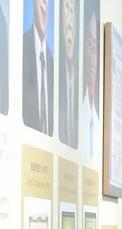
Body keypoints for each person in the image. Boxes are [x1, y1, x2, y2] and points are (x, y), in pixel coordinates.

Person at [23, 0, 54, 135]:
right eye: (41, 0)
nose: (44, 6)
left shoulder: (52, 65)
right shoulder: (22, 47)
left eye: (47, 2)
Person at [80, 1, 101, 157]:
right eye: (89, 45)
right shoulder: (78, 117)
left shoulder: (99, 126)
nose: (93, 58)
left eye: (95, 47)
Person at [58, 0, 78, 148]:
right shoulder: (55, 68)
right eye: (67, 8)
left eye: (73, 11)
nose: (70, 24)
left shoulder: (77, 78)